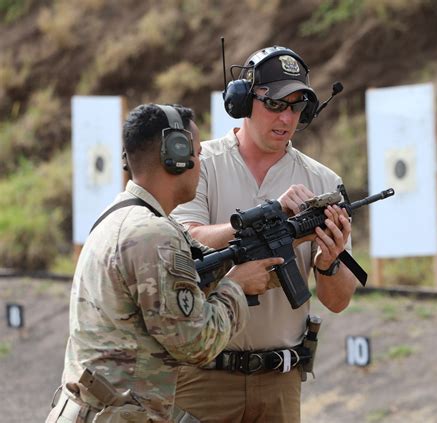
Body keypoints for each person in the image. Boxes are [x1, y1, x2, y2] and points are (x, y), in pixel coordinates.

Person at [46, 103, 283, 423]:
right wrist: (237, 287)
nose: (200, 165)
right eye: (197, 154)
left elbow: (194, 267)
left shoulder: (121, 217)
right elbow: (197, 343)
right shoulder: (153, 235)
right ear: (176, 154)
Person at [171, 46, 358, 422]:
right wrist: (268, 215)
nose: (286, 117)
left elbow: (337, 301)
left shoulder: (323, 181)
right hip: (202, 375)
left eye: (296, 106)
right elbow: (183, 243)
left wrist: (328, 263)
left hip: (280, 381)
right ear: (242, 101)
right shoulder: (201, 164)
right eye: (275, 104)